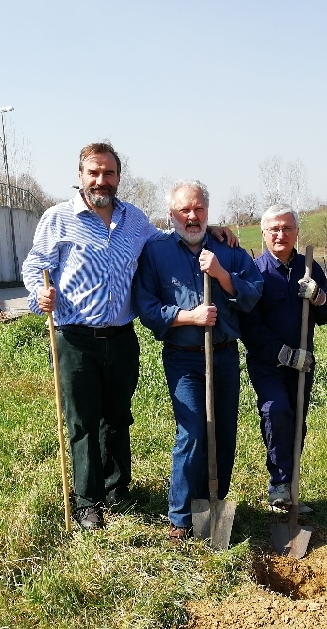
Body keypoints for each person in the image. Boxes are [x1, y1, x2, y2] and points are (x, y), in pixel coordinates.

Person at [22, 143, 236, 531]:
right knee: (83, 420)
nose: (101, 180)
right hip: (75, 336)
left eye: (109, 173)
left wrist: (214, 232)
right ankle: (88, 501)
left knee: (117, 416)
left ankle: (117, 486)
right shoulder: (58, 219)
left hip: (121, 336)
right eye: (94, 172)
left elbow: (172, 235)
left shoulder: (134, 221)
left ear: (119, 177)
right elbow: (36, 265)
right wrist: (39, 294)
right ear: (80, 176)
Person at [132, 180, 263, 541]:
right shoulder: (156, 252)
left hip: (223, 357)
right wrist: (188, 316)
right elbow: (146, 305)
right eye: (184, 210)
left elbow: (253, 294)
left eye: (199, 209)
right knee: (191, 432)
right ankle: (179, 517)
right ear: (171, 214)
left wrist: (221, 274)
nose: (192, 217)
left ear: (208, 211)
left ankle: (213, 505)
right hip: (184, 358)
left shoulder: (228, 249)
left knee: (223, 431)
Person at [240, 204, 327, 511]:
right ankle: (279, 485)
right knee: (276, 410)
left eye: (287, 228)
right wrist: (283, 354)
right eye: (274, 229)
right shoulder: (254, 272)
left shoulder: (309, 267)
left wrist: (321, 297)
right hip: (267, 362)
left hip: (303, 364)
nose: (281, 234)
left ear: (296, 232)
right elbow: (249, 325)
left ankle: (289, 487)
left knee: (296, 422)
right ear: (264, 233)